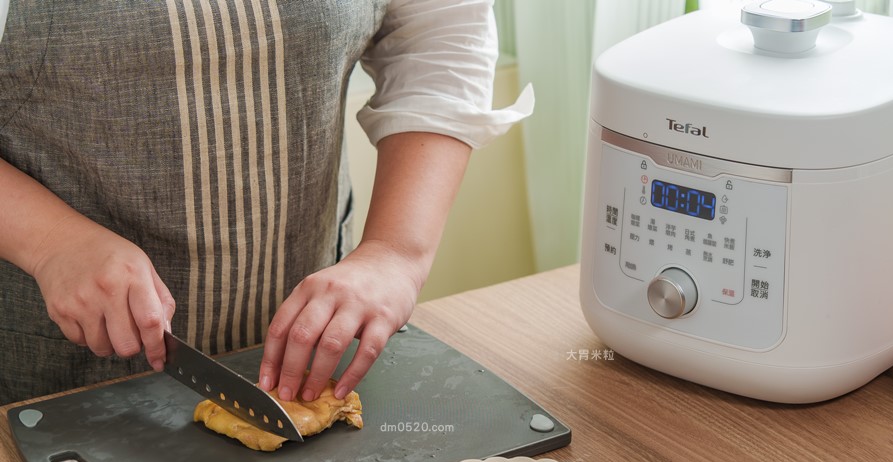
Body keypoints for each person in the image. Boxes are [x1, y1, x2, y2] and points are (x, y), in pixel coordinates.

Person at [0, 0, 533, 406]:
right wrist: (50, 244)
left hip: (313, 370)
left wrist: (396, 254)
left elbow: (437, 36)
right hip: (42, 386)